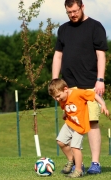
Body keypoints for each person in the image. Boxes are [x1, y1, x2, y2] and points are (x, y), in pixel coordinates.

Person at [52, 0, 108, 175]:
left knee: (91, 123)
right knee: (72, 125)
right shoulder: (63, 29)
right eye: (69, 12)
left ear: (82, 7)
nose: (72, 15)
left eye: (75, 11)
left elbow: (101, 56)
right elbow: (58, 56)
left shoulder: (95, 27)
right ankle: (77, 164)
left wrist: (100, 79)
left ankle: (95, 163)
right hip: (69, 86)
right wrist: (55, 80)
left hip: (89, 84)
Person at [48, 78, 109, 178]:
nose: (57, 99)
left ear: (66, 89)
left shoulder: (78, 93)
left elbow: (94, 95)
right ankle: (71, 160)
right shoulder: (62, 98)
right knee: (60, 141)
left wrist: (103, 105)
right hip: (69, 123)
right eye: (55, 98)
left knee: (75, 147)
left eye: (58, 96)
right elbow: (66, 106)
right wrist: (64, 114)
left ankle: (78, 170)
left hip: (80, 126)